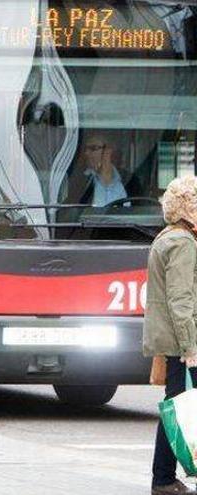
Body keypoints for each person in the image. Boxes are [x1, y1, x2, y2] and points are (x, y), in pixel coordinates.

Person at [144, 175, 197, 495]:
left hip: (176, 340)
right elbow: (181, 299)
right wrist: (190, 346)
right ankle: (162, 479)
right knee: (178, 408)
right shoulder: (182, 243)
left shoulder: (168, 237)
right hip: (183, 342)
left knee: (175, 407)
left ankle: (163, 478)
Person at [80, 134, 127, 207]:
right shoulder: (80, 181)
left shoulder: (130, 179)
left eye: (93, 148)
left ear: (108, 151)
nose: (86, 153)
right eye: (85, 149)